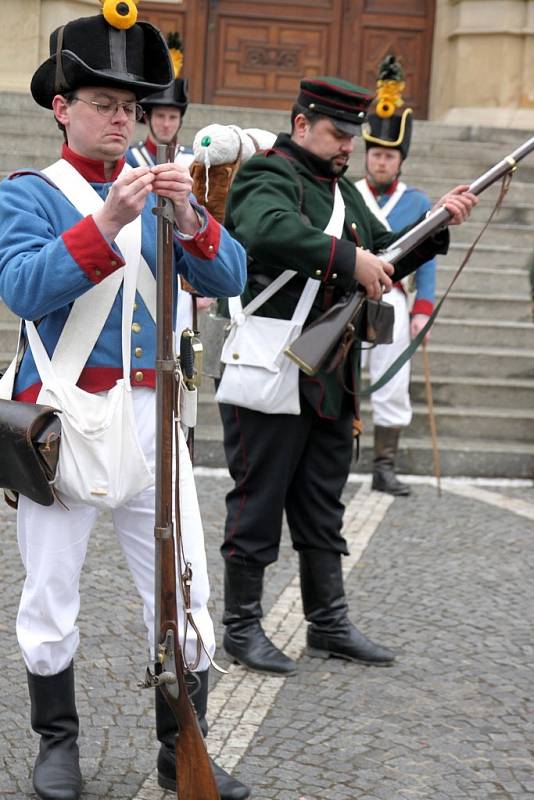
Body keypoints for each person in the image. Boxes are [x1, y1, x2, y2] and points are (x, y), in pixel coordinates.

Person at [0, 8, 249, 800]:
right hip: (59, 421)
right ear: (61, 108)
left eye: (130, 106)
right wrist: (108, 220)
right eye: (102, 102)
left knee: (183, 593)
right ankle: (58, 745)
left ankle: (181, 748)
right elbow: (22, 288)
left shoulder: (165, 188)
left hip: (153, 418)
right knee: (50, 591)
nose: (120, 118)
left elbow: (230, 277)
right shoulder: (30, 195)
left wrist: (189, 214)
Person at [216, 75, 477, 676]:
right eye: (337, 134)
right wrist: (348, 259)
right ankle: (241, 627)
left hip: (330, 376)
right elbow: (264, 228)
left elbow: (387, 250)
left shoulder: (342, 193)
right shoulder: (268, 173)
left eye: (352, 139)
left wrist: (440, 221)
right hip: (273, 364)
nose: (347, 148)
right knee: (257, 501)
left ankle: (327, 623)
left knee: (321, 502)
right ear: (302, 125)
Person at [355, 55, 436, 496]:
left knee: (392, 381)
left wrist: (422, 307)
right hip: (347, 297)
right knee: (343, 377)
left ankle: (384, 466)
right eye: (375, 154)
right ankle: (337, 453)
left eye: (388, 156)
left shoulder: (417, 201)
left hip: (392, 300)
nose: (381, 162)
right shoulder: (346, 192)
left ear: (399, 160)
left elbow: (428, 259)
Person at [126, 76, 194, 169]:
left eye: (173, 117)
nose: (166, 124)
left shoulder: (192, 161)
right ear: (147, 118)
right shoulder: (128, 159)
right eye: (160, 116)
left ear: (180, 122)